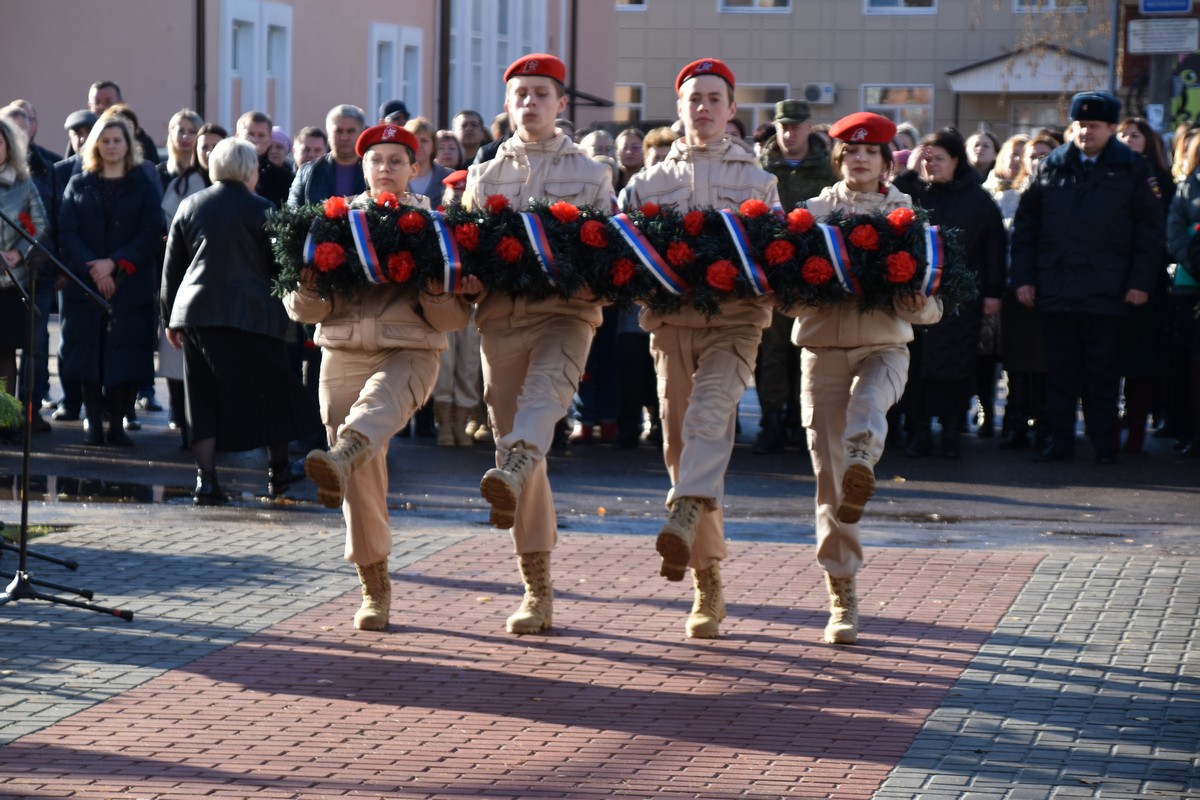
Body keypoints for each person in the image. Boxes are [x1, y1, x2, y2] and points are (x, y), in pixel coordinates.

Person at [285, 123, 473, 630]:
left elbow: (454, 320)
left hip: (408, 352)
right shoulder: (333, 220)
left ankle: (343, 453)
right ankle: (374, 587)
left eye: (396, 159)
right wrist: (306, 284)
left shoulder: (434, 225)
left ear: (415, 167)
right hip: (342, 352)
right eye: (376, 160)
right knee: (361, 482)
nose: (385, 168)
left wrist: (437, 290)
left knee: (365, 426)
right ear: (362, 167)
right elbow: (304, 309)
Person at [621, 57, 780, 638]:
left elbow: (774, 257)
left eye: (715, 99)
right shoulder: (648, 184)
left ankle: (685, 505)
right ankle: (707, 583)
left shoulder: (758, 182)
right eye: (694, 99)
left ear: (732, 110)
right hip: (670, 327)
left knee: (711, 418)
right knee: (680, 442)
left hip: (735, 325)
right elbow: (626, 261)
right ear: (680, 108)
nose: (704, 108)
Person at [464, 53, 614, 635]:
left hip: (567, 316)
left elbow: (611, 256)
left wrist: (590, 277)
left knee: (539, 412)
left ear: (561, 104)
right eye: (521, 94)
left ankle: (537, 587)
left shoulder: (592, 174)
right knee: (517, 453)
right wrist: (470, 277)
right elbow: (465, 250)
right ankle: (537, 587)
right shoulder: (486, 176)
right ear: (508, 105)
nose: (530, 103)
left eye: (541, 94)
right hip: (501, 320)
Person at [789, 112, 943, 644]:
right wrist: (803, 291)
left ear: (884, 161)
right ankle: (842, 596)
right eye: (851, 152)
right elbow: (784, 296)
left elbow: (935, 305)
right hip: (823, 348)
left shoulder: (909, 217)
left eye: (870, 152)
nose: (859, 159)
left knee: (869, 406)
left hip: (884, 343)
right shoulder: (811, 216)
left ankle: (863, 457)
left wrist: (918, 304)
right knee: (831, 486)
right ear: (839, 158)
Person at [161, 138, 322, 504]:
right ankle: (278, 473)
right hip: (253, 315)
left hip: (196, 314)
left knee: (200, 397)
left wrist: (170, 318)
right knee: (271, 394)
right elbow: (279, 267)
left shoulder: (190, 206)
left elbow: (173, 269)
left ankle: (206, 481)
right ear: (251, 170)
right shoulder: (264, 209)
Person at [1011, 91, 1164, 464]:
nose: (1084, 132)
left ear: (1111, 128)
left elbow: (1149, 233)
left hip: (1108, 290)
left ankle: (1103, 443)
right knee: (1059, 371)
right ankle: (1059, 441)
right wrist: (1025, 279)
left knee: (1103, 373)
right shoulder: (1052, 166)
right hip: (1057, 286)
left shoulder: (1132, 169)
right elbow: (1026, 229)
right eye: (1079, 125)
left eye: (1093, 126)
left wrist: (1140, 282)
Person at [894, 129, 1006, 459]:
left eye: (939, 159)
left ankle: (952, 429)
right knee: (915, 365)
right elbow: (888, 207)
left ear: (957, 161)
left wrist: (993, 292)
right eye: (927, 159)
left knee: (954, 366)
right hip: (913, 296)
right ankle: (918, 430)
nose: (932, 165)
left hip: (960, 298)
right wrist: (910, 172)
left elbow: (994, 248)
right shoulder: (911, 192)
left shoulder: (977, 198)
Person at [57, 112, 163, 447]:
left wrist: (115, 263)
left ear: (127, 144)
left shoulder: (142, 183)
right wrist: (95, 268)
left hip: (128, 284)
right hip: (87, 283)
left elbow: (150, 232)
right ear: (95, 144)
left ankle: (116, 422)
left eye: (117, 140)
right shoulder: (80, 182)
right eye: (105, 140)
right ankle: (92, 422)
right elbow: (67, 230)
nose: (112, 146)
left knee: (126, 354)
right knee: (89, 353)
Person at [755, 98, 836, 454]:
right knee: (771, 352)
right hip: (769, 274)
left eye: (797, 126)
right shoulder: (760, 167)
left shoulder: (828, 168)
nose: (790, 133)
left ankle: (799, 420)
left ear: (809, 127)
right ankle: (771, 419)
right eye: (784, 126)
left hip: (812, 273)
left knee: (807, 349)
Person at [1115, 117, 1175, 454]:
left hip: (1146, 285)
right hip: (1108, 282)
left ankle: (1137, 423)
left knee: (1142, 358)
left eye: (1134, 135)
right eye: (1122, 134)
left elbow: (1157, 237)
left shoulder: (1161, 183)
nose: (1127, 140)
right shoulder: (1108, 177)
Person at [156, 109, 209, 442]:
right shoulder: (158, 174)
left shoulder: (205, 175)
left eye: (192, 131)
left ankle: (196, 413)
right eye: (180, 130)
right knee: (168, 339)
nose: (186, 136)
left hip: (196, 267)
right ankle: (175, 406)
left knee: (194, 341)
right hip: (163, 267)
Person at [0, 116, 49, 422]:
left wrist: (18, 254)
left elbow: (41, 227)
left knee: (5, 355)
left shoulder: (23, 184)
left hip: (9, 284)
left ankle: (4, 421)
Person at [1166, 131, 1200, 456]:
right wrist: (1193, 257)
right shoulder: (1189, 187)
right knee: (1193, 364)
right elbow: (1174, 231)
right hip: (1192, 287)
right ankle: (1192, 430)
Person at [288, 105, 367, 207]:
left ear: (361, 133)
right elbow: (292, 212)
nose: (344, 137)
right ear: (328, 134)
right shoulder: (307, 171)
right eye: (338, 131)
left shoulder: (373, 170)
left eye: (350, 131)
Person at [86, 81, 160, 164]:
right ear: (90, 106)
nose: (103, 107)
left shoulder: (141, 138)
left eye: (109, 102)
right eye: (97, 103)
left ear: (121, 103)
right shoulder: (83, 135)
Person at [235, 111, 291, 207]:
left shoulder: (283, 178)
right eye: (250, 134)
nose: (255, 140)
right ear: (237, 136)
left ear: (269, 140)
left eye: (261, 135)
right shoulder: (226, 170)